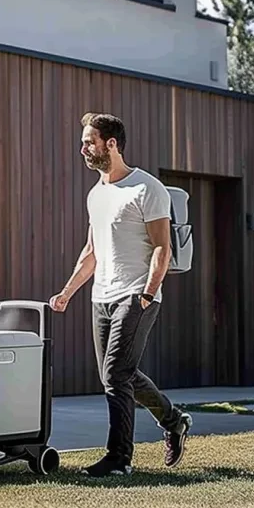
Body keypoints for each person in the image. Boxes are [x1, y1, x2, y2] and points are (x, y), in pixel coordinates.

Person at [50, 112, 192, 477]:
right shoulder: (96, 194)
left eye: (89, 141)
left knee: (115, 374)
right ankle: (173, 420)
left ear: (110, 144)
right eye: (83, 141)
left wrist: (147, 294)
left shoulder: (146, 188)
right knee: (118, 374)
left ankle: (118, 459)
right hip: (102, 296)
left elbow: (163, 248)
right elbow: (91, 252)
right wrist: (67, 292)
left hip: (136, 292)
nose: (83, 148)